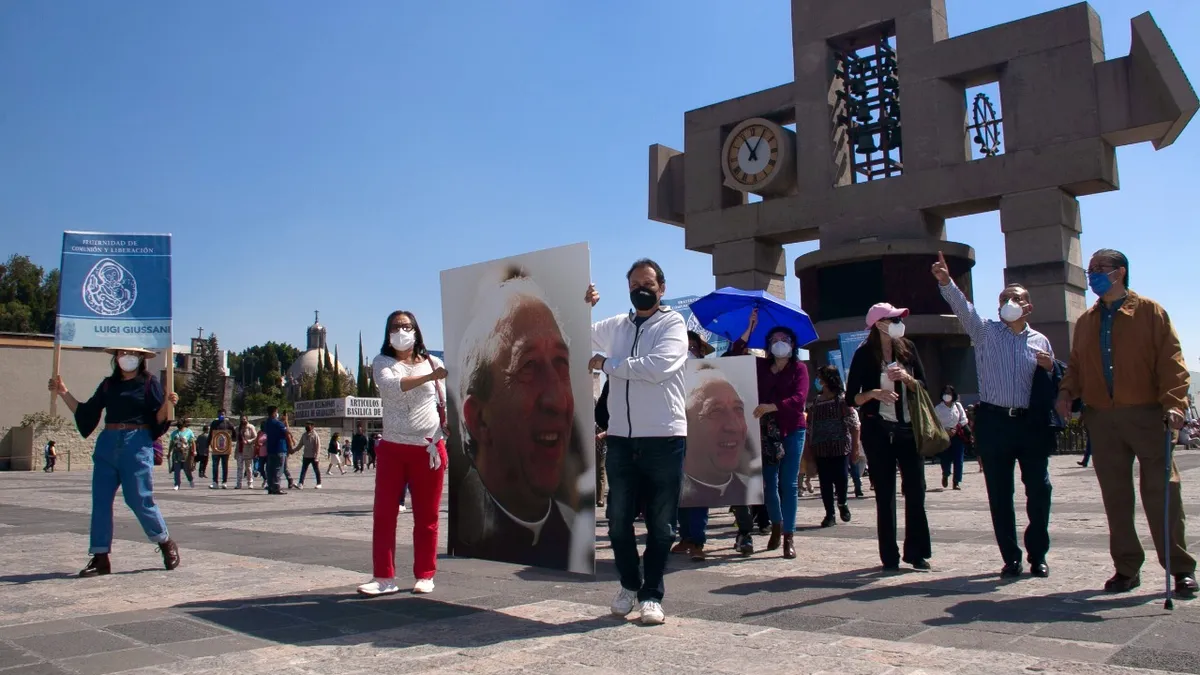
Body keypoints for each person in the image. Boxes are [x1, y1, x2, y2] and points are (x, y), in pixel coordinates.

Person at [1057, 249, 1197, 597]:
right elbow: (1076, 365)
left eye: (1099, 269)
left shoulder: (1150, 312)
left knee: (1162, 493)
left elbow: (1172, 362)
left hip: (1148, 414)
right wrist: (1066, 392)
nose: (1092, 275)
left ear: (1119, 272)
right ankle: (1126, 568)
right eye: (1090, 270)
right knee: (1116, 497)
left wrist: (1175, 403)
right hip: (1103, 419)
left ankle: (1180, 568)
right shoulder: (1087, 321)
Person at [454, 269, 585, 572]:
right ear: (479, 418)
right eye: (528, 366)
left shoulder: (576, 530)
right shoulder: (465, 531)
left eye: (561, 363)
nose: (558, 400)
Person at [935, 253, 1057, 577]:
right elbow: (964, 309)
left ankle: (1038, 554)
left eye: (1016, 298)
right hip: (995, 422)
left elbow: (1053, 381)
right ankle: (1011, 557)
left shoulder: (1041, 341)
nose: (1009, 303)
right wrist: (947, 282)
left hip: (1030, 424)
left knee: (1040, 489)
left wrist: (1051, 367)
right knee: (1000, 493)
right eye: (1004, 299)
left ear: (1028, 307)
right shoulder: (985, 332)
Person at [586, 258, 687, 625]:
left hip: (664, 436)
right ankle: (630, 584)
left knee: (662, 524)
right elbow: (576, 336)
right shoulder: (616, 325)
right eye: (634, 286)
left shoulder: (673, 324)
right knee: (617, 520)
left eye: (647, 284)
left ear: (662, 288)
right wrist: (585, 307)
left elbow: (657, 367)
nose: (640, 290)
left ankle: (652, 595)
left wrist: (607, 364)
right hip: (620, 438)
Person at [48, 347, 180, 576]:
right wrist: (63, 392)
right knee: (100, 500)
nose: (126, 357)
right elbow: (87, 412)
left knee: (138, 498)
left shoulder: (149, 383)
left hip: (137, 442)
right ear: (116, 358)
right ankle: (100, 557)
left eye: (132, 354)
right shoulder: (109, 385)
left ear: (141, 358)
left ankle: (164, 541)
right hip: (108, 443)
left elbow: (158, 419)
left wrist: (169, 405)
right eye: (121, 353)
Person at [357, 310, 446, 597]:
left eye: (407, 326)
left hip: (428, 448)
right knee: (384, 514)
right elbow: (393, 388)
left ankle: (425, 574)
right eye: (395, 327)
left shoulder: (434, 362)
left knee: (427, 516)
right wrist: (429, 377)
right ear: (388, 333)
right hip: (393, 449)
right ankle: (384, 577)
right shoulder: (383, 362)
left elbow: (445, 401)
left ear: (416, 331)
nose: (401, 331)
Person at [846, 303, 933, 572]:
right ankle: (889, 556)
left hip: (908, 429)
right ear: (878, 324)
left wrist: (907, 378)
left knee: (916, 490)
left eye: (898, 319)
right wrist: (873, 393)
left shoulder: (908, 348)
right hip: (878, 431)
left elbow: (925, 386)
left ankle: (916, 552)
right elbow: (851, 398)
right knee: (885, 495)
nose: (897, 323)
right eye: (892, 319)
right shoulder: (863, 354)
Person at [727, 308, 810, 558]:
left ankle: (789, 536)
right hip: (766, 432)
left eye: (785, 339)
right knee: (769, 483)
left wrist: (772, 406)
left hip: (792, 429)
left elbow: (799, 399)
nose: (780, 343)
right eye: (775, 340)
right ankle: (776, 524)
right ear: (768, 345)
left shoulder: (799, 369)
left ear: (793, 344)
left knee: (789, 483)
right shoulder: (761, 366)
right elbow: (735, 354)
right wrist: (750, 328)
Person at [673, 332, 720, 561]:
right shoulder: (671, 373)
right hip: (676, 434)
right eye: (686, 346)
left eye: (693, 347)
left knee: (699, 489)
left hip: (701, 436)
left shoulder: (709, 376)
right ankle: (685, 537)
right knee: (680, 489)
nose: (689, 351)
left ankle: (698, 540)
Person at [806, 366, 859, 528]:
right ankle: (830, 514)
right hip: (821, 449)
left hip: (840, 448)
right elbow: (809, 428)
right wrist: (809, 453)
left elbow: (854, 426)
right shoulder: (816, 402)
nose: (818, 380)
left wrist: (855, 448)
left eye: (821, 377)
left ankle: (842, 503)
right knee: (825, 483)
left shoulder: (842, 401)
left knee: (841, 479)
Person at [934, 385, 968, 490]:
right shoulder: (938, 408)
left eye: (949, 393)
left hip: (957, 435)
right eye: (945, 392)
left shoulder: (957, 405)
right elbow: (935, 422)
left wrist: (956, 428)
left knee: (959, 459)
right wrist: (945, 431)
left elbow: (964, 419)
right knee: (945, 458)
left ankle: (956, 481)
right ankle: (946, 474)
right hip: (944, 436)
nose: (947, 395)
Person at [261, 407, 293, 495]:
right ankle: (276, 487)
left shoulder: (267, 423)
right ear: (274, 413)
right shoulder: (279, 424)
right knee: (279, 469)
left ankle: (270, 487)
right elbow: (287, 433)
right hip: (280, 448)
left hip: (270, 449)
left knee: (270, 469)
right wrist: (290, 447)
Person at [208, 409, 235, 489]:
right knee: (215, 465)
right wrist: (207, 445)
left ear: (225, 415)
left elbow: (234, 434)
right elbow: (210, 434)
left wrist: (230, 439)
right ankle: (215, 482)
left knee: (225, 465)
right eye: (220, 414)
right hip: (215, 447)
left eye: (222, 414)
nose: (221, 416)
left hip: (225, 448)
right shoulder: (214, 423)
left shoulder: (228, 423)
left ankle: (224, 482)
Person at [168, 419, 196, 490]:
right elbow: (172, 443)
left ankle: (190, 480)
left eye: (180, 426)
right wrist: (169, 452)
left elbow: (192, 442)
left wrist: (194, 451)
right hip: (176, 454)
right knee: (177, 470)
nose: (179, 427)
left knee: (186, 469)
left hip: (186, 454)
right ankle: (177, 484)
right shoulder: (174, 433)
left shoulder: (189, 432)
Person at [297, 423, 323, 489]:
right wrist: (294, 450)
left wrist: (317, 457)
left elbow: (318, 447)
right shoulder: (304, 435)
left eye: (309, 425)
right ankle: (300, 483)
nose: (307, 426)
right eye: (306, 425)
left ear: (312, 427)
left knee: (316, 470)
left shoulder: (315, 435)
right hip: (306, 456)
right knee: (303, 470)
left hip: (313, 456)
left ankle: (319, 483)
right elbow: (300, 444)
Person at [235, 415, 257, 490]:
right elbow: (235, 438)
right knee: (239, 468)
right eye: (242, 419)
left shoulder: (251, 427)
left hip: (248, 450)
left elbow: (255, 437)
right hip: (239, 450)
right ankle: (238, 484)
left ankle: (250, 483)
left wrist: (249, 441)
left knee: (248, 468)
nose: (243, 420)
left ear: (247, 419)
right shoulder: (238, 428)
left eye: (244, 419)